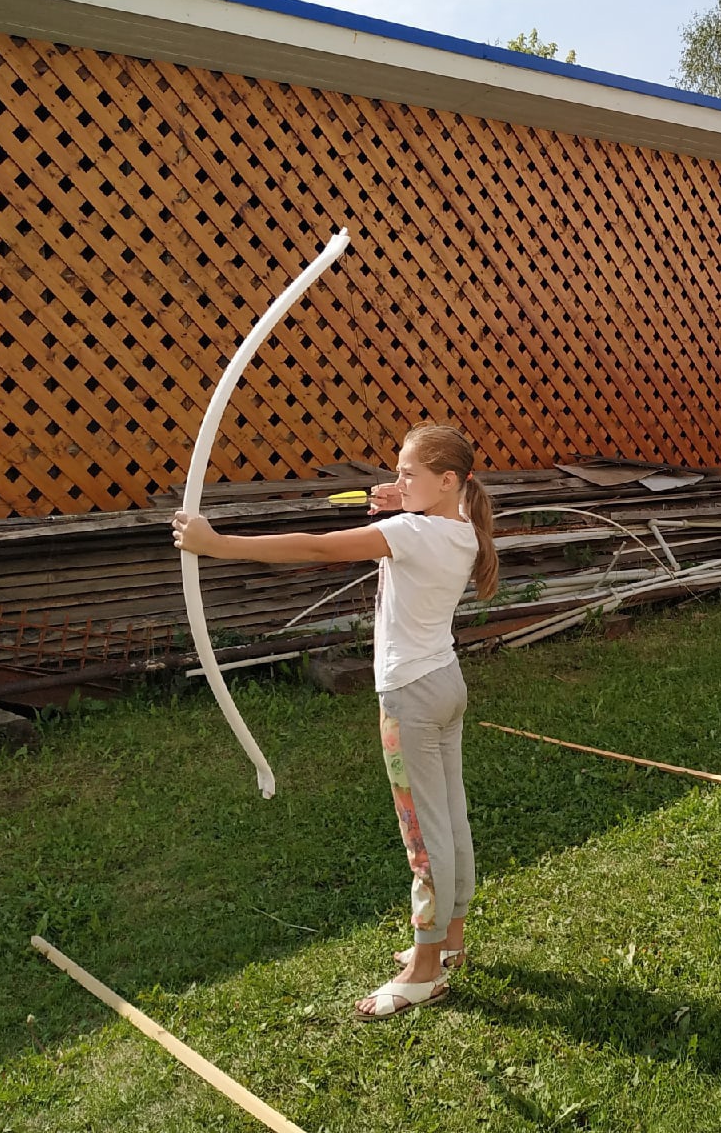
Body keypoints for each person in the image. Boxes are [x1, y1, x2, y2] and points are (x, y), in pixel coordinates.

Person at [173, 424, 499, 1020]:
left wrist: (217, 543)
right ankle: (448, 940)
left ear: (447, 481)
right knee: (449, 817)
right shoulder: (463, 529)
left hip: (409, 696)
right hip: (445, 684)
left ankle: (425, 969)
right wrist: (407, 500)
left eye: (408, 474)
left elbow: (319, 547)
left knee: (422, 835)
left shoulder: (408, 532)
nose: (396, 482)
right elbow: (421, 521)